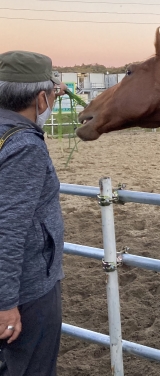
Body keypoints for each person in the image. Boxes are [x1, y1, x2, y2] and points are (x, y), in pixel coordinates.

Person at [0, 51, 67, 376]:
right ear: (42, 98)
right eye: (50, 96)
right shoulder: (25, 147)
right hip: (27, 292)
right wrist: (6, 305)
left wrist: (53, 89)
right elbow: (8, 230)